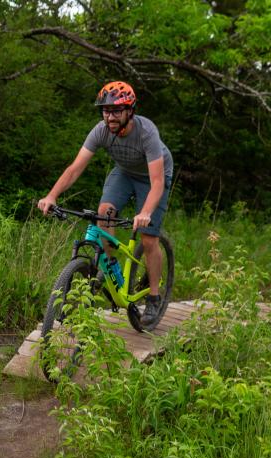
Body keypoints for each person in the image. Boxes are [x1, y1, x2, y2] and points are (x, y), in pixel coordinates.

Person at [37, 81, 174, 325]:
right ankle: (111, 267)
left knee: (148, 237)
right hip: (124, 172)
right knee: (103, 212)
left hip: (154, 178)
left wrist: (144, 212)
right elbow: (75, 168)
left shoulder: (146, 132)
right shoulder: (100, 131)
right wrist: (51, 196)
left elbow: (156, 182)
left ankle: (153, 297)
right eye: (105, 111)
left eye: (116, 111)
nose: (110, 116)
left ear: (129, 111)